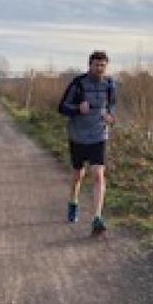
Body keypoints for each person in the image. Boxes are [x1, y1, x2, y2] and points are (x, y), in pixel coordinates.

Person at [58, 50, 116, 235]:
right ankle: (73, 201)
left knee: (98, 174)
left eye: (103, 65)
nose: (99, 68)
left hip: (99, 135)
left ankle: (97, 217)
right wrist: (77, 108)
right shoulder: (78, 83)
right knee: (78, 175)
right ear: (90, 65)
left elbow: (112, 106)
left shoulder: (110, 84)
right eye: (96, 65)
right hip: (78, 136)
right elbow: (61, 107)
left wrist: (111, 117)